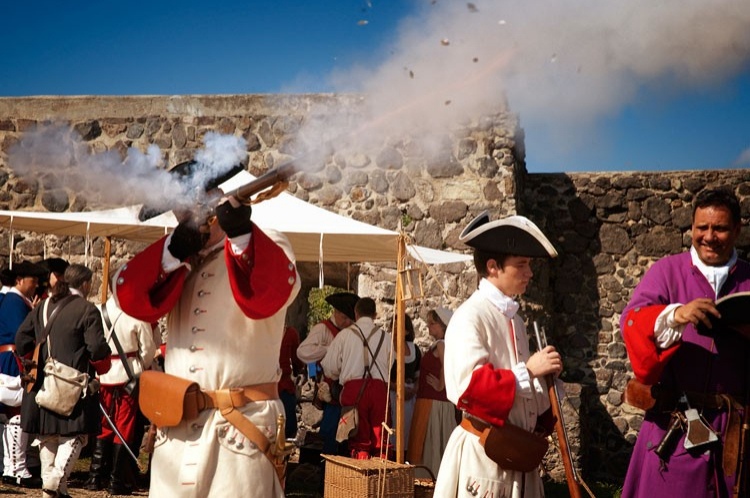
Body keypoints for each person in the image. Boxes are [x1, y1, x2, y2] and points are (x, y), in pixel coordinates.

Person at [112, 164, 300, 497]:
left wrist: (240, 232)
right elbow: (127, 294)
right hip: (177, 428)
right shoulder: (179, 262)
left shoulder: (263, 244)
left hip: (240, 428)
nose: (184, 214)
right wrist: (173, 250)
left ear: (216, 200)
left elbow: (275, 290)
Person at [620, 187, 750, 498]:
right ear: (691, 228)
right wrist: (676, 313)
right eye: (701, 227)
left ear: (736, 230)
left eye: (718, 228)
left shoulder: (748, 276)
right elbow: (632, 322)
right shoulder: (666, 272)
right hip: (674, 427)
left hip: (736, 433)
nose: (709, 236)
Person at [433, 212, 561, 498]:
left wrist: (547, 380)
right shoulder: (470, 316)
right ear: (493, 267)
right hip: (483, 457)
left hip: (514, 454)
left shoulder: (514, 319)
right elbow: (469, 388)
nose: (529, 273)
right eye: (521, 264)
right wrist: (528, 371)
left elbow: (522, 398)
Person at [15, 263, 112, 498]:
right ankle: (56, 479)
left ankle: (55, 491)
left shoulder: (43, 306)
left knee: (48, 436)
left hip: (43, 383)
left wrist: (38, 361)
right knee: (76, 436)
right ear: (86, 284)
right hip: (73, 384)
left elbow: (21, 339)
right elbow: (97, 348)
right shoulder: (87, 310)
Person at [84, 290, 157, 495]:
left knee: (105, 424)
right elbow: (148, 349)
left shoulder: (98, 310)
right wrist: (140, 367)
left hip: (104, 374)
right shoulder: (137, 314)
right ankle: (115, 482)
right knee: (124, 424)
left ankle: (95, 477)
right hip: (128, 375)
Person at [321, 297, 392, 460]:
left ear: (356, 313)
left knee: (357, 440)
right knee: (381, 440)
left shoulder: (345, 335)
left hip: (354, 390)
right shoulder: (386, 337)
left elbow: (330, 367)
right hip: (379, 390)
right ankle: (379, 481)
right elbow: (391, 363)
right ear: (375, 315)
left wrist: (345, 369)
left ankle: (358, 482)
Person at [296, 291, 359, 456]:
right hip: (331, 390)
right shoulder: (322, 329)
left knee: (348, 434)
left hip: (347, 390)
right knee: (330, 433)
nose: (347, 322)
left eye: (349, 319)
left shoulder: (351, 331)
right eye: (344, 318)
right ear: (336, 313)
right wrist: (328, 350)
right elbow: (303, 352)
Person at [0, 260, 44, 489]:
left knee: (10, 415)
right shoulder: (16, 302)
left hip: (10, 360)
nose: (36, 284)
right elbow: (23, 335)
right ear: (19, 280)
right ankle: (15, 469)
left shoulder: (15, 300)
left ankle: (11, 465)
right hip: (12, 362)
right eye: (32, 280)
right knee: (17, 413)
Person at [408, 306, 458, 478]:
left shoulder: (442, 344)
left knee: (432, 443)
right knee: (428, 442)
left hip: (435, 403)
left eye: (432, 324)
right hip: (429, 401)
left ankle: (430, 479)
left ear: (442, 325)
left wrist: (440, 385)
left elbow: (446, 365)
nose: (429, 327)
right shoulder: (439, 345)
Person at [389, 313, 420, 458]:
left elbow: (418, 375)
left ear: (407, 330)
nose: (395, 330)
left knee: (408, 430)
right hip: (393, 396)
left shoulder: (414, 349)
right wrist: (397, 388)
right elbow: (384, 375)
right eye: (393, 327)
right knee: (394, 429)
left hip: (410, 397)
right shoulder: (387, 348)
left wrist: (413, 390)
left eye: (398, 327)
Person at [278, 323, 305, 439]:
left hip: (262, 388)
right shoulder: (290, 333)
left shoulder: (259, 330)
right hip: (283, 387)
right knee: (289, 429)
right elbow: (297, 361)